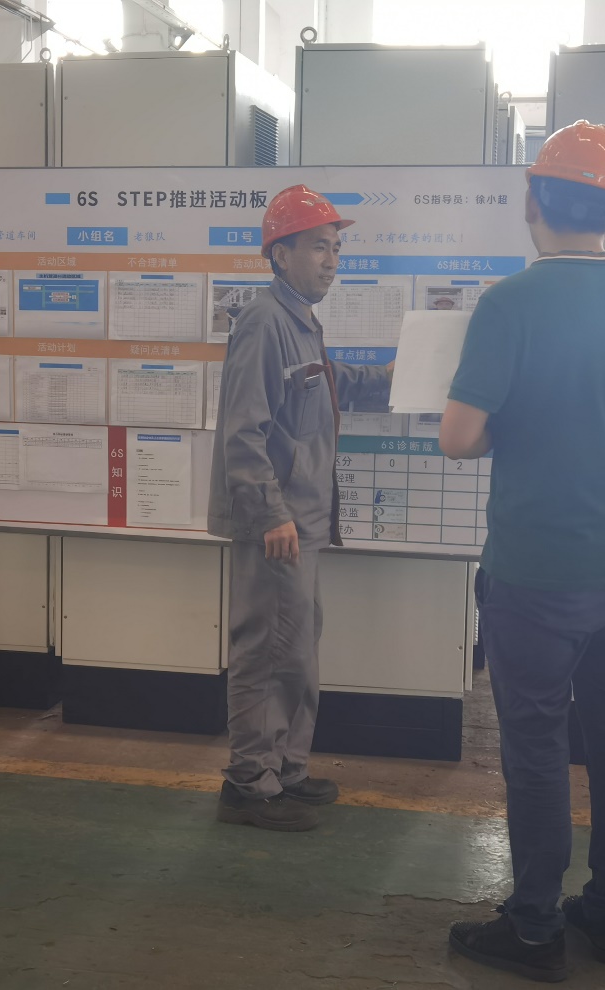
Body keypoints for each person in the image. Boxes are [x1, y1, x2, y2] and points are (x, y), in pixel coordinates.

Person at [438, 121, 605, 982]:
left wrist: (516, 427)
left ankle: (534, 926)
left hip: (536, 570)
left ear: (532, 202)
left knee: (537, 746)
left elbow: (458, 437)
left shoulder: (509, 304)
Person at [207, 184, 392, 832]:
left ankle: (285, 769)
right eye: (318, 247)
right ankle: (248, 786)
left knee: (296, 651)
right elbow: (243, 433)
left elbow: (332, 385)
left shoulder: (300, 321)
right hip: (277, 525)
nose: (331, 259)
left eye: (335, 248)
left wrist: (408, 374)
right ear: (279, 254)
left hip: (301, 522)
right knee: (266, 651)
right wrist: (271, 514)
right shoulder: (264, 322)